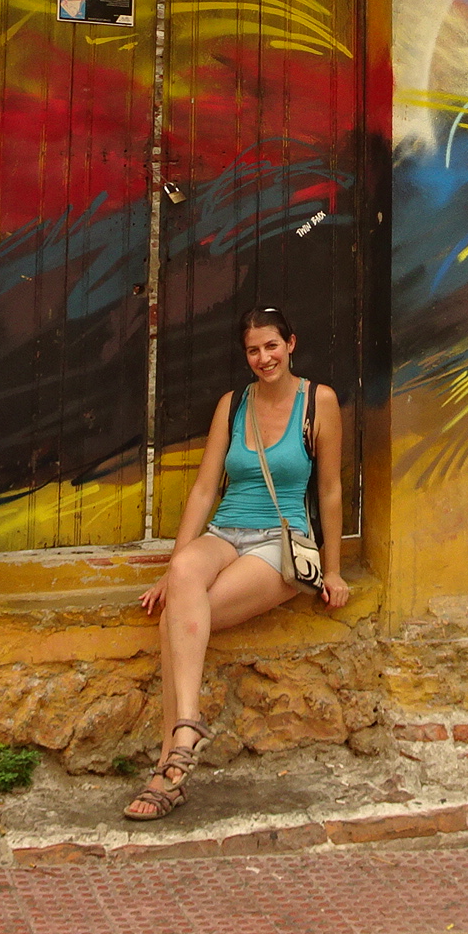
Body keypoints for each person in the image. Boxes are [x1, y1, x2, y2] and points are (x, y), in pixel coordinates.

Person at [126, 306, 349, 821]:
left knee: (175, 622)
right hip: (227, 531)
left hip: (280, 543)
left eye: (271, 346)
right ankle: (187, 730)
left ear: (291, 344)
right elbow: (205, 490)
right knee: (185, 573)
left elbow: (331, 489)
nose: (263, 358)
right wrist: (171, 569)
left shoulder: (319, 401)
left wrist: (333, 569)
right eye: (253, 350)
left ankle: (168, 769)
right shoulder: (233, 404)